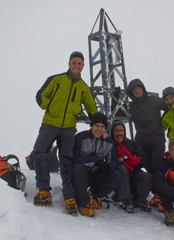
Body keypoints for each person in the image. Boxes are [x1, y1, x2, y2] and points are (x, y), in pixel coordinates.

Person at [32, 51, 97, 216]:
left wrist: (98, 125)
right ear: (69, 64)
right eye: (74, 63)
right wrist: (50, 106)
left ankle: (69, 195)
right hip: (50, 123)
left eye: (79, 63)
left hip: (68, 127)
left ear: (83, 66)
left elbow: (92, 108)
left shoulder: (83, 88)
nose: (76, 66)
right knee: (39, 153)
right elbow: (41, 95)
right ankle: (44, 190)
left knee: (67, 160)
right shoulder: (56, 79)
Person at [72, 112, 133, 217]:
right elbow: (76, 158)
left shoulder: (107, 141)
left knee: (116, 174)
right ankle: (83, 202)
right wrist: (96, 160)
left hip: (96, 173)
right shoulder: (81, 137)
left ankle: (96, 195)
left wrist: (108, 166)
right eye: (96, 126)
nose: (99, 129)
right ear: (91, 125)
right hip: (82, 173)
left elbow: (114, 159)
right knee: (78, 168)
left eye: (102, 127)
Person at [127, 79, 167, 174]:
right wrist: (115, 97)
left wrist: (164, 119)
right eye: (134, 90)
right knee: (148, 168)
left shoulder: (154, 100)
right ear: (131, 93)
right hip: (142, 142)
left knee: (158, 168)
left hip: (157, 139)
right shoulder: (130, 106)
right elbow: (116, 111)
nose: (137, 91)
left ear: (143, 89)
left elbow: (170, 106)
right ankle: (155, 187)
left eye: (138, 88)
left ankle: (161, 187)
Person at [111, 121, 152, 212]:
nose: (119, 133)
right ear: (112, 132)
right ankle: (125, 199)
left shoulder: (132, 144)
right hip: (118, 177)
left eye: (121, 130)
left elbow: (143, 160)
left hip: (133, 173)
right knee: (121, 169)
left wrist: (127, 159)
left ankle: (139, 200)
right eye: (116, 131)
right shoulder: (110, 145)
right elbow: (112, 162)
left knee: (146, 176)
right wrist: (133, 159)